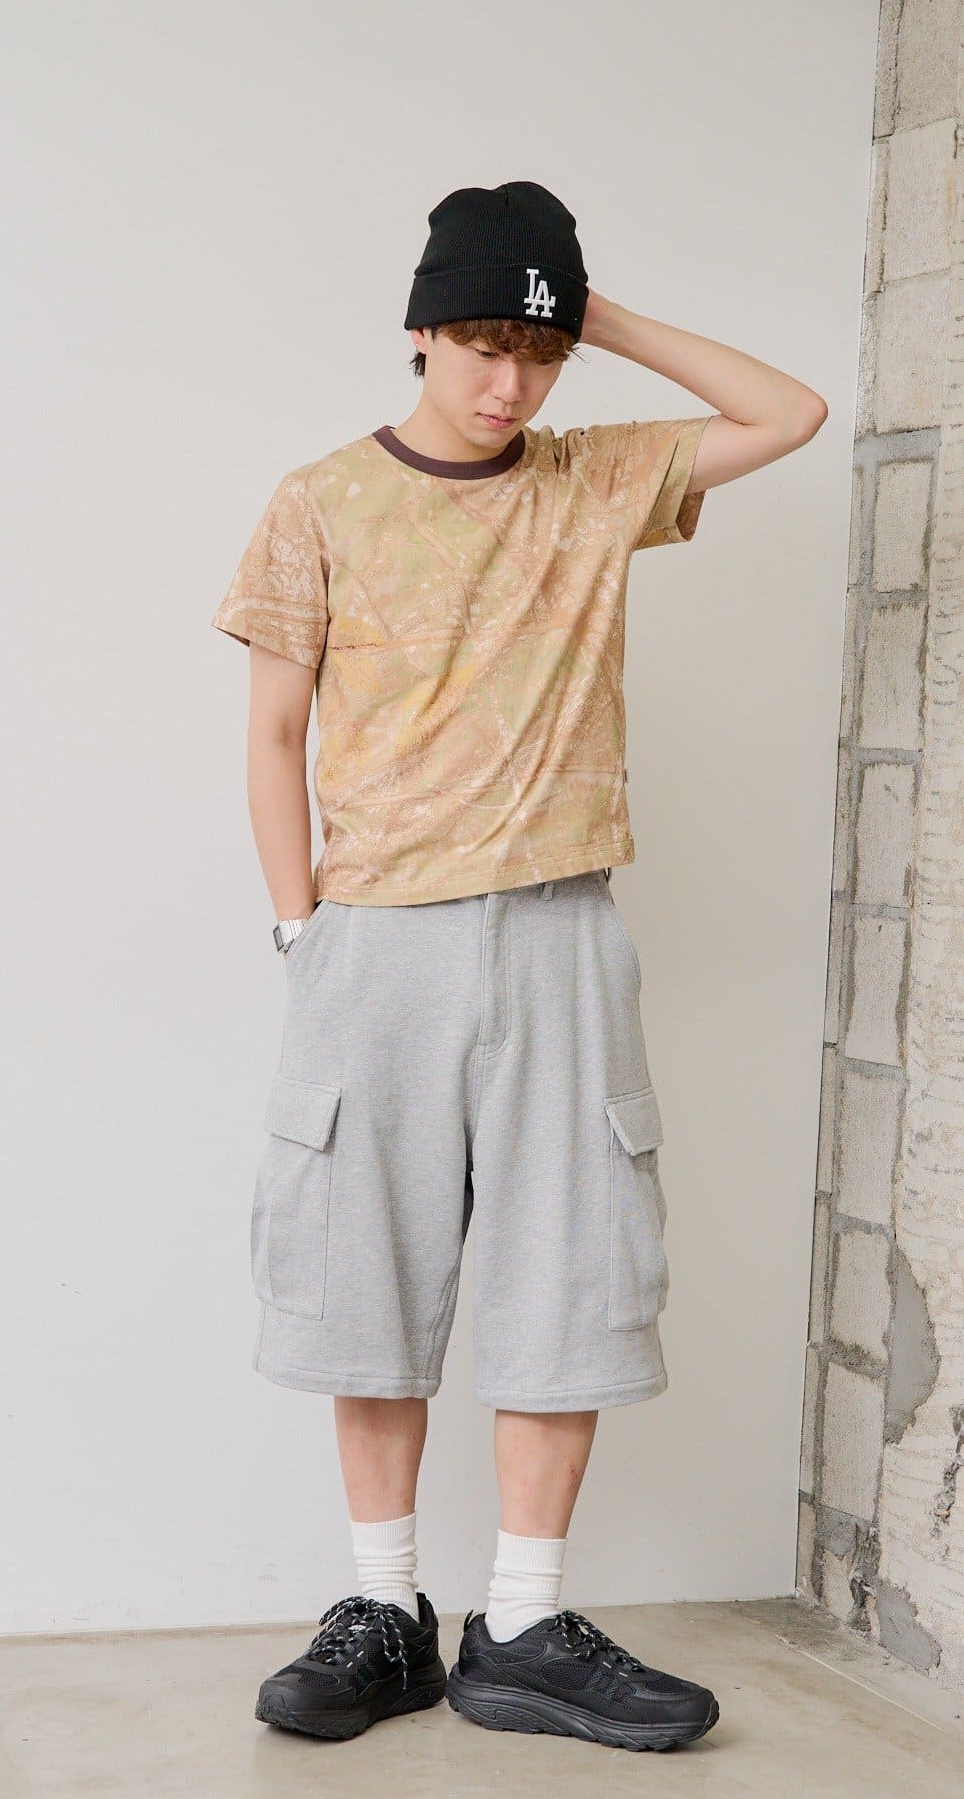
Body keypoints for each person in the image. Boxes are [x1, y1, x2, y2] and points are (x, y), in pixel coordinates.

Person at [212, 179, 826, 1752]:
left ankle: (526, 1625)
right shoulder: (320, 501)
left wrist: (585, 307)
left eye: (538, 356)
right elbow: (273, 734)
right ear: (423, 333)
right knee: (367, 1269)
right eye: (485, 345)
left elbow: (791, 412)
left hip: (559, 929)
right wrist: (301, 930)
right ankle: (382, 1612)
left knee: (574, 1270)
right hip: (375, 937)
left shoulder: (593, 479)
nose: (510, 384)